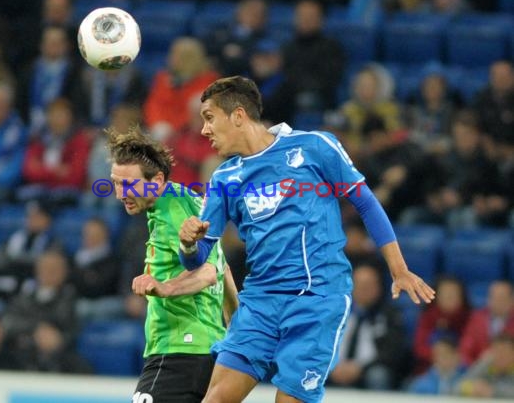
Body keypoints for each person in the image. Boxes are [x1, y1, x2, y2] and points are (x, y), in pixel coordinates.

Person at [178, 76, 436, 403]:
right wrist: (188, 244)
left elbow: (366, 203)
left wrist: (399, 269)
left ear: (238, 115)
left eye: (210, 117)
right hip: (259, 301)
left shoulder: (313, 147)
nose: (204, 130)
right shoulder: (224, 179)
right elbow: (199, 256)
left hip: (317, 299)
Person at [106, 127, 239, 403]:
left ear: (156, 180)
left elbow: (207, 273)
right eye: (116, 183)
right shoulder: (186, 201)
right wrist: (236, 325)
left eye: (129, 184)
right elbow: (221, 266)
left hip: (179, 352)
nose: (120, 194)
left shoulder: (170, 214)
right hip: (206, 351)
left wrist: (164, 287)